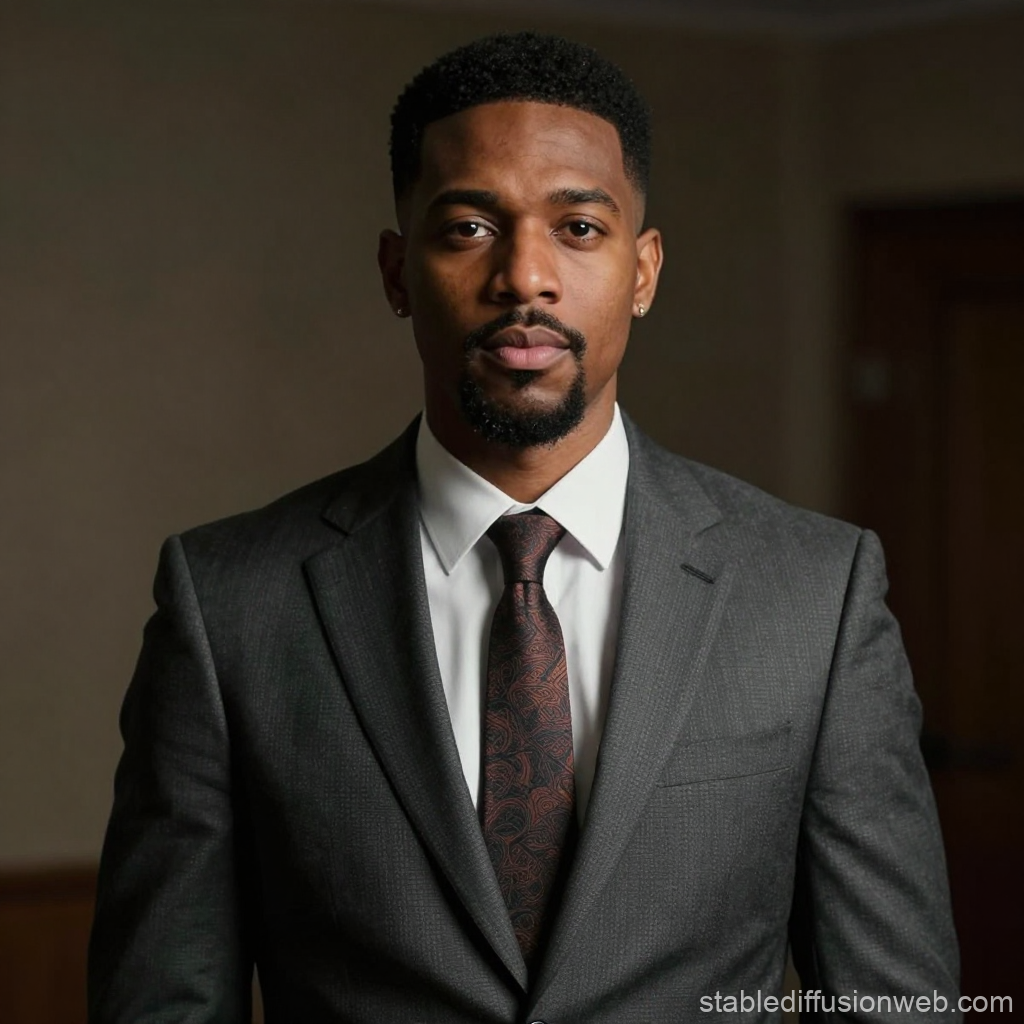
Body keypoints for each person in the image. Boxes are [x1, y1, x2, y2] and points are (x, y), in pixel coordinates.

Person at [88, 31, 959, 1023]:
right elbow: (159, 1001)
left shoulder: (815, 591)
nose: (525, 278)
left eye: (579, 228)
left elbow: (898, 1002)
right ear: (394, 269)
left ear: (643, 268)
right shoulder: (228, 598)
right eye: (467, 227)